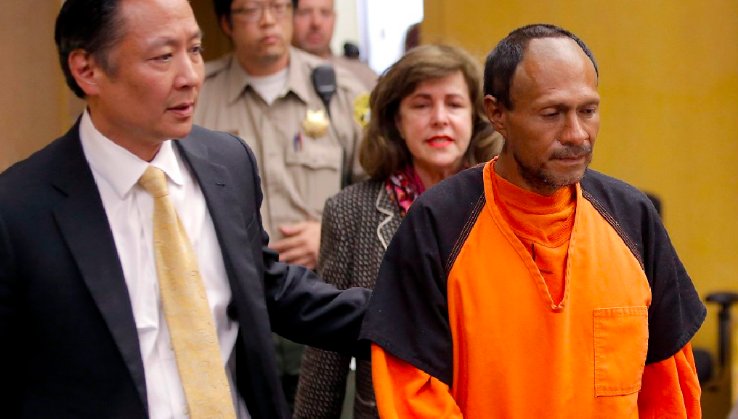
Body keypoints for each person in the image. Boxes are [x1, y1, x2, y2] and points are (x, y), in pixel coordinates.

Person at [0, 0, 369, 418]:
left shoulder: (227, 163)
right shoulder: (20, 210)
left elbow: (267, 287)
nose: (191, 76)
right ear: (87, 70)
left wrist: (402, 314)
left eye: (194, 49)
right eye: (163, 56)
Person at [360, 24, 707, 418]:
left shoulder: (631, 217)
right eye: (551, 114)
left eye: (588, 110)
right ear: (497, 113)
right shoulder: (439, 224)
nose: (576, 134)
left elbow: (669, 391)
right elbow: (413, 394)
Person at [294, 44, 502, 419]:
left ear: (476, 119)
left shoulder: (503, 204)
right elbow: (326, 352)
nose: (439, 119)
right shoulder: (350, 211)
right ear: (396, 121)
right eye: (421, 105)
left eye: (454, 104)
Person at [196, 0, 370, 405]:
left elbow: (378, 193)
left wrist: (329, 234)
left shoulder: (340, 91)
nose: (267, 21)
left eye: (277, 7)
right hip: (233, 302)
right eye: (250, 9)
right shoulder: (199, 95)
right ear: (226, 23)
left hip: (321, 297)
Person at [292, 0, 378, 89]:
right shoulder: (283, 76)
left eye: (325, 13)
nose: (316, 22)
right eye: (304, 13)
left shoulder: (363, 77)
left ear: (335, 19)